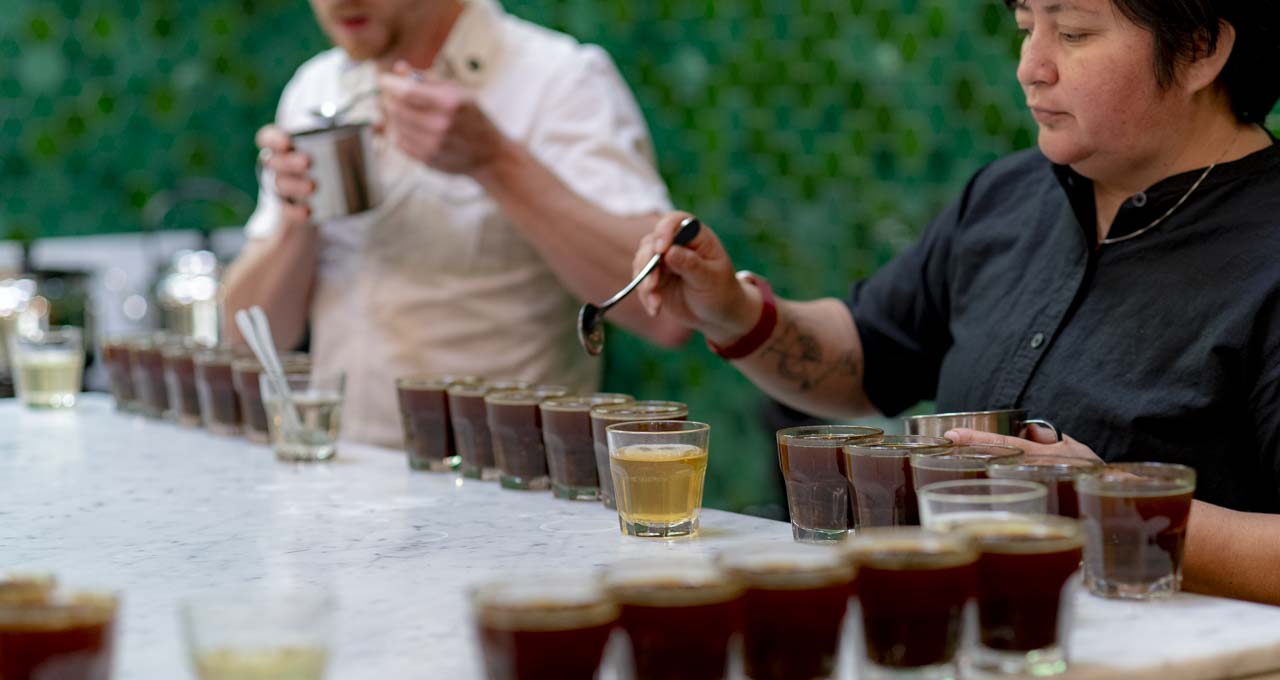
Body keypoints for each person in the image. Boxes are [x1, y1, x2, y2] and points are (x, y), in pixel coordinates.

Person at [632, 0, 1280, 604]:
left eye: (1075, 33)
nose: (1032, 67)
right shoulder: (1010, 195)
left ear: (1200, 48)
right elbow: (866, 357)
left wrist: (1112, 508)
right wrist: (733, 312)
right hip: (966, 639)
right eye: (1027, 28)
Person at [224, 0, 688, 446]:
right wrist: (294, 219)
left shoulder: (559, 79)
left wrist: (495, 162)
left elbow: (666, 314)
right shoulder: (316, 87)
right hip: (346, 480)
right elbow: (246, 340)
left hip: (509, 486)